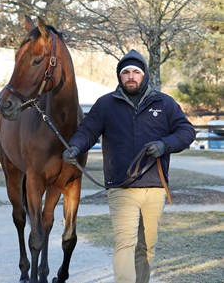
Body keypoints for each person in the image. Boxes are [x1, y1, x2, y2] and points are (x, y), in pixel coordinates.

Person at [63, 49, 196, 283]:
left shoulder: (164, 103)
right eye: (126, 72)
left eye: (136, 71)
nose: (131, 76)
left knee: (147, 246)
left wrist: (165, 145)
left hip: (155, 186)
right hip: (121, 187)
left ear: (144, 75)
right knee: (125, 242)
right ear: (119, 76)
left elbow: (186, 132)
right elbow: (87, 131)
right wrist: (75, 146)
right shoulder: (105, 104)